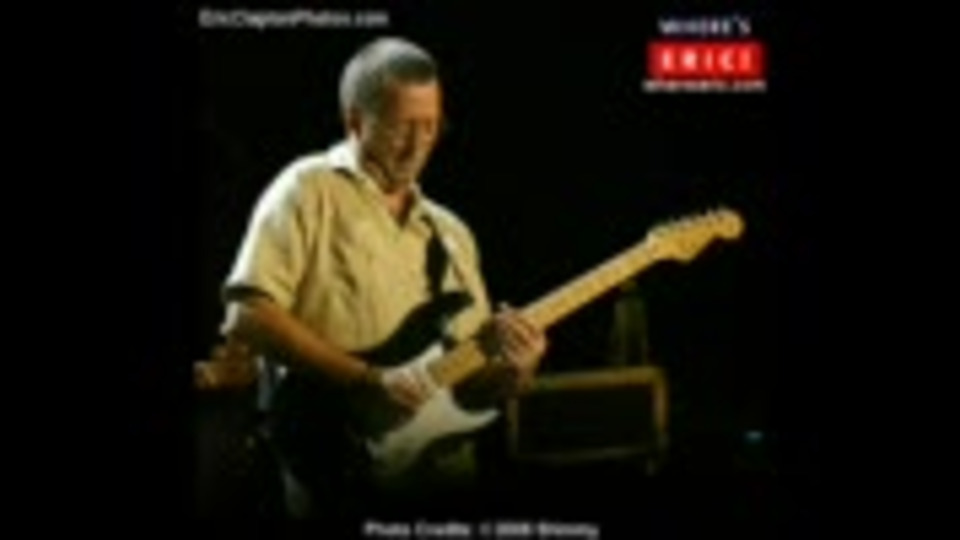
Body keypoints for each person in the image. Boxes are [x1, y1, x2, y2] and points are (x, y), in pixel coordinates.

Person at [217, 36, 548, 521]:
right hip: (340, 468)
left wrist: (516, 371)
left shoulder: (452, 231)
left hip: (446, 478)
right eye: (400, 128)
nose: (417, 146)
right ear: (355, 121)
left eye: (430, 127)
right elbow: (246, 314)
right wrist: (367, 380)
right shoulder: (307, 188)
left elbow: (471, 388)